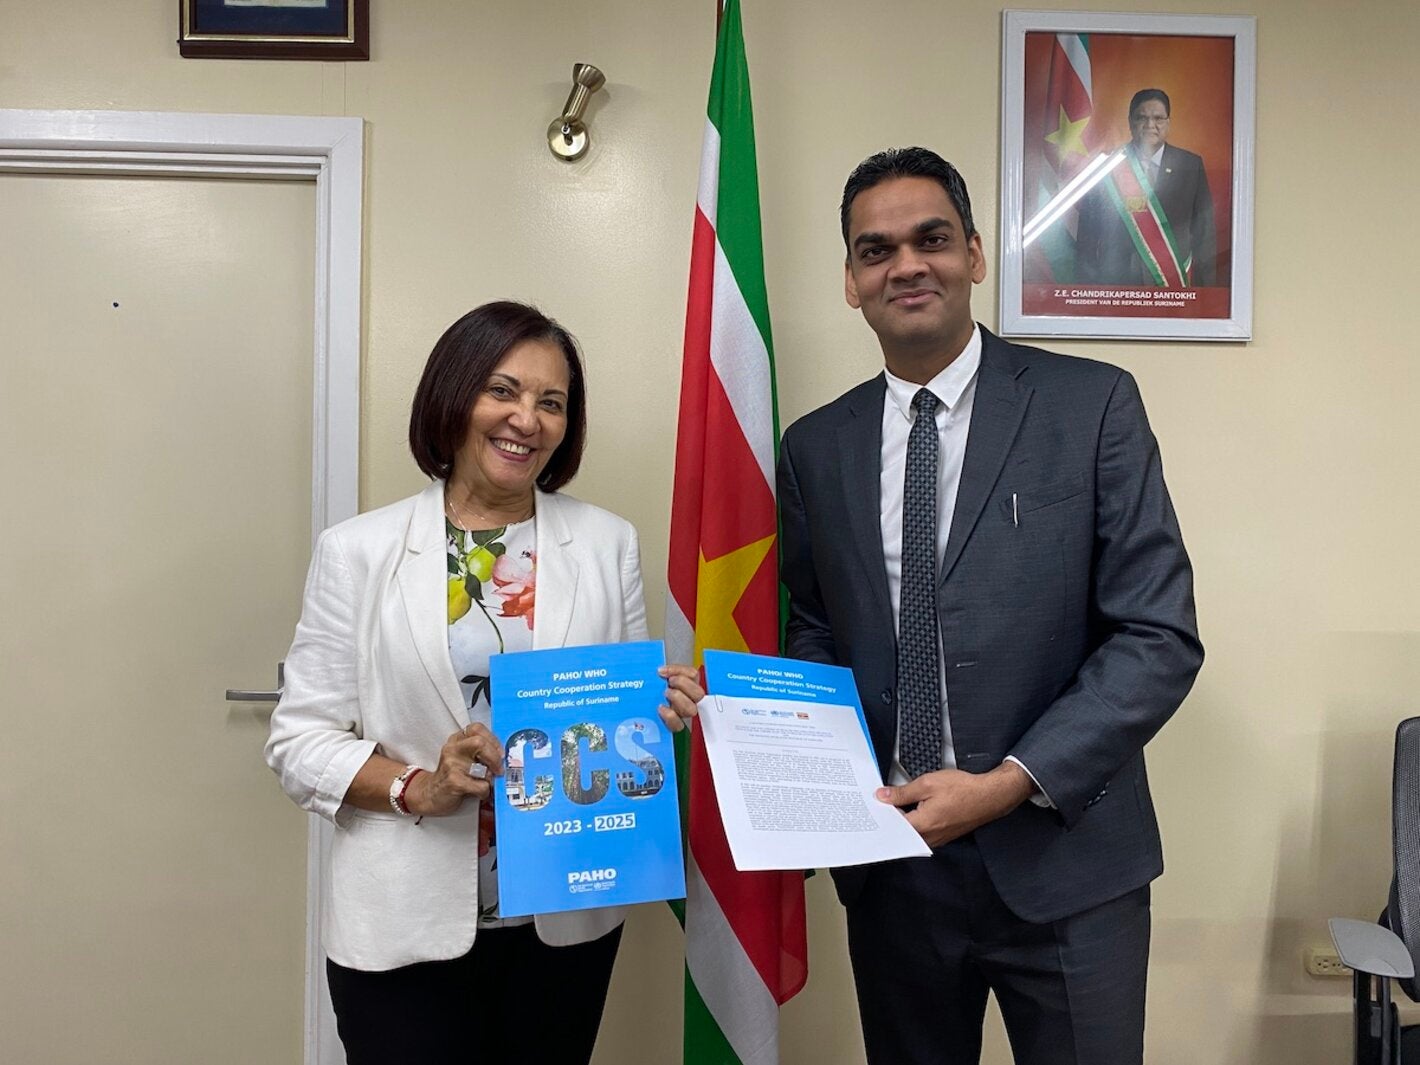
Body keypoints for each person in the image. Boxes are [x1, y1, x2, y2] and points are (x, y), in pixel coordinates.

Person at [777, 148, 1203, 1065]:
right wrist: (760, 719)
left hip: (1067, 861)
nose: (906, 264)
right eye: (875, 249)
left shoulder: (1091, 406)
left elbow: (1157, 635)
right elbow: (813, 625)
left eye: (930, 238)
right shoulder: (816, 445)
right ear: (852, 282)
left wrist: (1010, 781)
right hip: (893, 868)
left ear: (974, 253)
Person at [265, 300, 704, 1065]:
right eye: (503, 390)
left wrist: (666, 712)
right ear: (454, 396)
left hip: (565, 922)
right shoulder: (357, 551)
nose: (526, 418)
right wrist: (415, 787)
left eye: (551, 402)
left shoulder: (608, 543)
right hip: (401, 928)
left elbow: (620, 719)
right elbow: (298, 738)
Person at [1075, 88, 1218, 287]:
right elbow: (1088, 234)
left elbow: (1204, 233)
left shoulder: (1190, 165)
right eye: (1141, 118)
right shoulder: (1107, 167)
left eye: (1158, 118)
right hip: (1117, 287)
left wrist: (1206, 294)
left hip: (1172, 285)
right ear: (1130, 122)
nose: (1150, 125)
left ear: (1168, 122)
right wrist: (1085, 290)